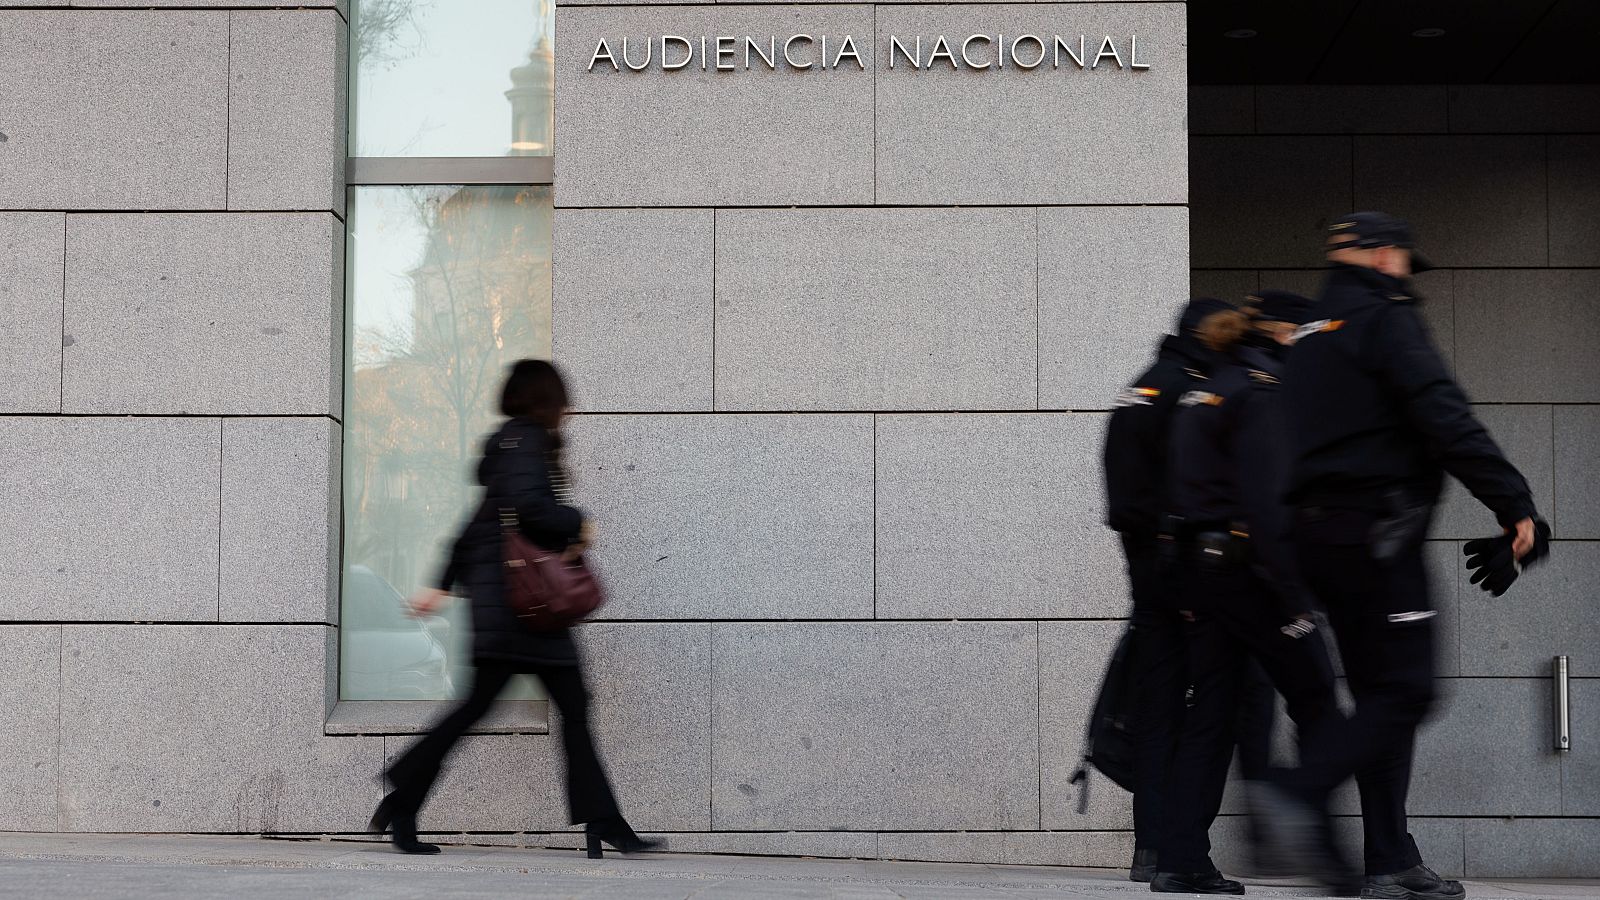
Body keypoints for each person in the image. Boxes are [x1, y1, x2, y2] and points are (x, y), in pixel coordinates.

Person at [1267, 213, 1551, 899]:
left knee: (1378, 698)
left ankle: (1391, 858)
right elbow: (1443, 414)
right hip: (1377, 535)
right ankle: (1300, 790)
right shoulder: (1383, 317)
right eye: (1398, 256)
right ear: (1382, 254)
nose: (1402, 269)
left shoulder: (1307, 334)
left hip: (1316, 538)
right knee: (1409, 689)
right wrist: (1514, 505)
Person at [369, 359, 658, 860]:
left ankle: (404, 798)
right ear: (544, 399)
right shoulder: (525, 442)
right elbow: (529, 509)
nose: (569, 409)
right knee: (558, 709)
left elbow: (476, 525)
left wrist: (440, 584)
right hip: (524, 611)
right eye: (563, 398)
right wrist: (577, 521)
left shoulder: (509, 445)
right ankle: (405, 797)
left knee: (536, 708)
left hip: (511, 610)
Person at [1152, 292, 1348, 895]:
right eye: (1308, 331)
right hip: (1253, 579)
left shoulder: (1203, 389)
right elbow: (1266, 504)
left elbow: (1174, 499)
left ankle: (1180, 858)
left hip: (1205, 577)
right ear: (1284, 334)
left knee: (1210, 715)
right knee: (1317, 698)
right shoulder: (1262, 392)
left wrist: (1183, 586)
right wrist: (1294, 594)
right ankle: (1315, 832)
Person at [1102, 297, 1274, 883]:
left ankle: (1151, 847)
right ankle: (1183, 850)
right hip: (1185, 572)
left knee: (1157, 708)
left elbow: (1124, 497)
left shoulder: (1144, 386)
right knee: (1217, 704)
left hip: (1147, 571)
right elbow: (1189, 485)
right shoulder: (1193, 390)